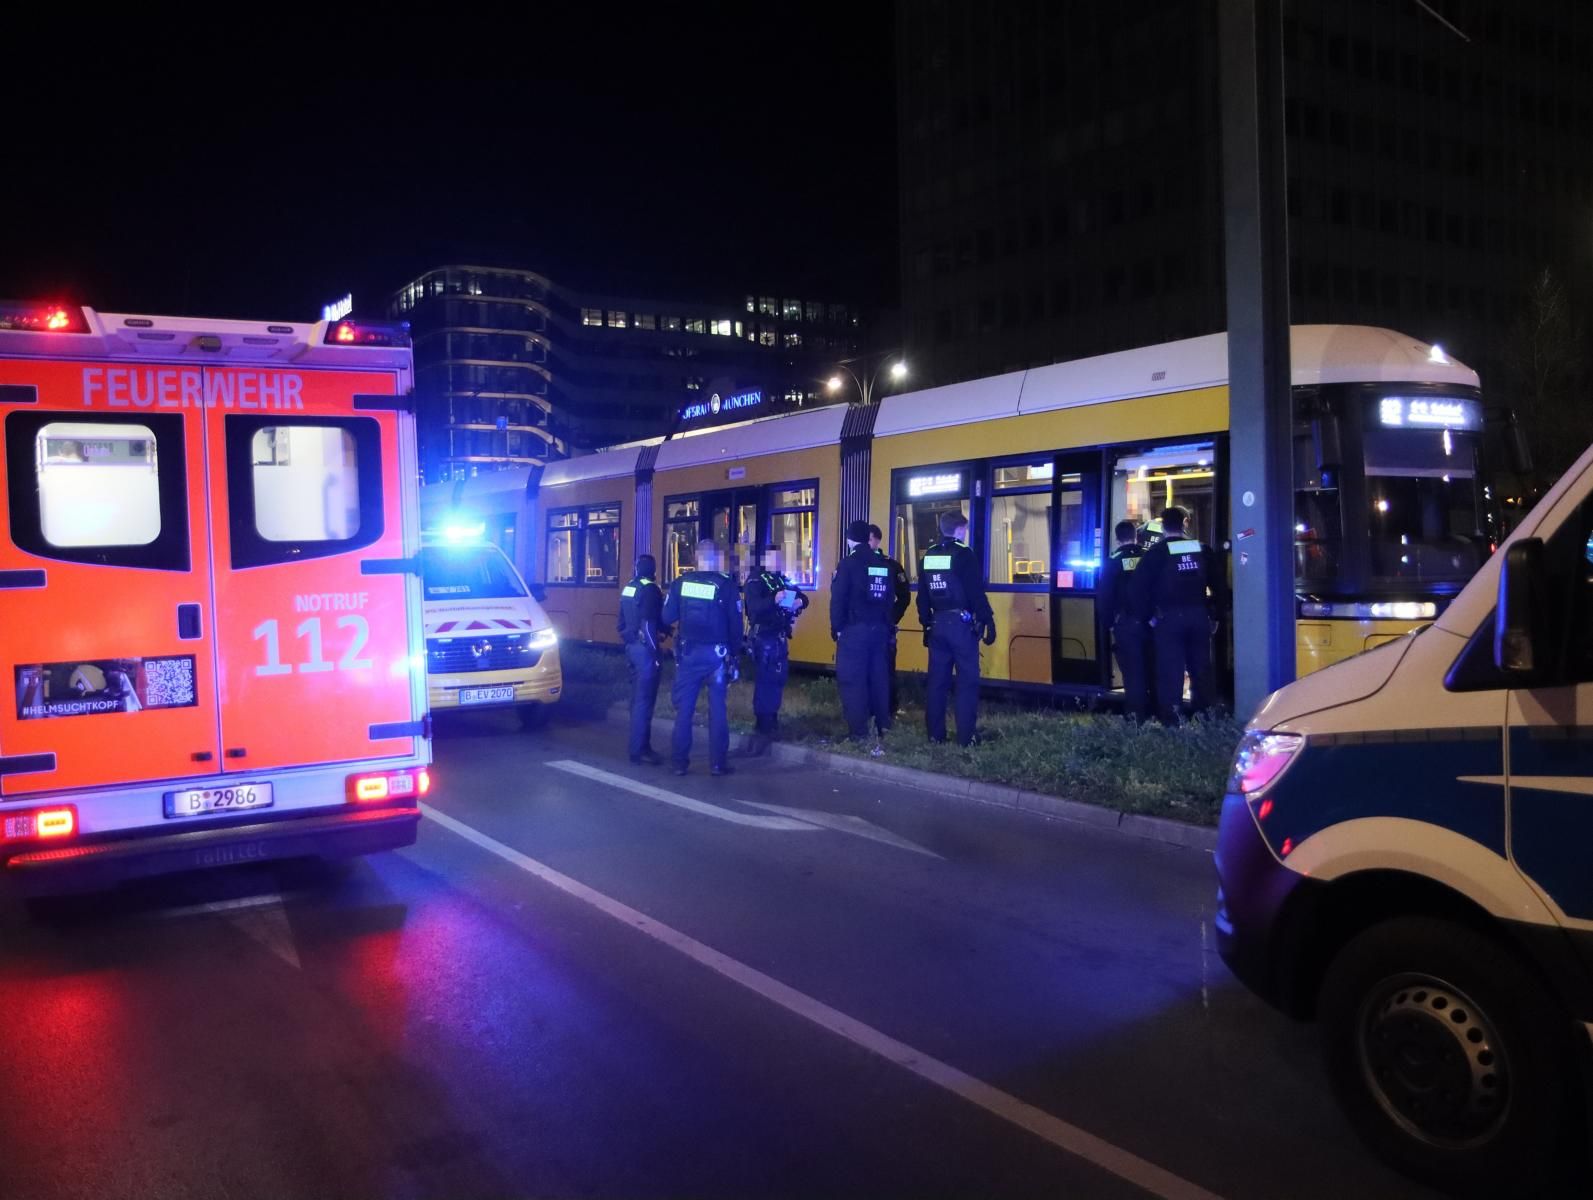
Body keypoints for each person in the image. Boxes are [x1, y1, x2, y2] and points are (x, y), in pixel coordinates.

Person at [1132, 505, 1222, 724]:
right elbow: (1219, 585)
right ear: (1184, 523)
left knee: (1170, 672)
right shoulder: (1202, 550)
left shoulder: (1155, 554)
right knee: (1201, 669)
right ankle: (1207, 720)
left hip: (1168, 620)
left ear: (1163, 527)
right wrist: (1214, 614)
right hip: (1198, 617)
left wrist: (1148, 620)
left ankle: (1172, 722)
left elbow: (1138, 590)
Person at [661, 539, 743, 775]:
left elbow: (667, 617)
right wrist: (735, 655)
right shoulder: (726, 586)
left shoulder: (680, 584)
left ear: (696, 558)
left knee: (684, 710)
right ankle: (718, 764)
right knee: (718, 710)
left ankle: (679, 763)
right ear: (717, 559)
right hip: (717, 658)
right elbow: (736, 626)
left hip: (688, 655)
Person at [916, 510, 993, 746]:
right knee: (967, 682)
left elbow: (922, 597)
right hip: (961, 627)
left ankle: (935, 735)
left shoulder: (928, 557)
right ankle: (965, 737)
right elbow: (975, 593)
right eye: (965, 529)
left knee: (937, 683)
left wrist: (926, 623)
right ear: (959, 530)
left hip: (937, 624)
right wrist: (988, 619)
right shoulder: (964, 554)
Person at [829, 519, 896, 746]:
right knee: (879, 679)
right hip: (879, 631)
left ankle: (858, 733)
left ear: (849, 539)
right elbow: (889, 600)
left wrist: (837, 628)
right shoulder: (882, 564)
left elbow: (838, 600)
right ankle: (882, 726)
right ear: (867, 538)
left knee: (853, 681)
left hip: (854, 632)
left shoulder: (847, 564)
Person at [743, 547, 808, 740]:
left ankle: (772, 719)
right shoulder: (756, 580)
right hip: (764, 636)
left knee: (778, 679)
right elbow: (755, 607)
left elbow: (802, 596)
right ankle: (762, 724)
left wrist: (800, 602)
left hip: (778, 637)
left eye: (780, 558)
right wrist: (774, 599)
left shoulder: (781, 580)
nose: (779, 562)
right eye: (775, 558)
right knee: (766, 680)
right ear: (765, 559)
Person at [616, 554, 670, 764]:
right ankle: (640, 750)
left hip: (632, 648)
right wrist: (655, 652)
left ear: (636, 568)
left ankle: (640, 746)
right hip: (646, 651)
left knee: (637, 700)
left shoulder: (629, 588)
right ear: (654, 570)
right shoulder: (650, 590)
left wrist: (629, 639)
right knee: (644, 702)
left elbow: (620, 622)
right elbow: (648, 624)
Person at [1098, 519, 1150, 721]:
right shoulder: (1147, 557)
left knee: (1132, 671)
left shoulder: (1113, 560)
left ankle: (1136, 716)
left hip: (1126, 624)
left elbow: (1104, 595)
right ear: (1136, 536)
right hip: (1150, 622)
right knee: (1151, 666)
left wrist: (1109, 623)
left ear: (1117, 539)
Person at [867, 523, 911, 713]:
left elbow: (904, 596)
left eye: (868, 539)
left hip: (884, 627)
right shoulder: (855, 564)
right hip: (862, 627)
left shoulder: (891, 566)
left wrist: (893, 618)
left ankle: (889, 709)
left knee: (886, 669)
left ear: (877, 540)